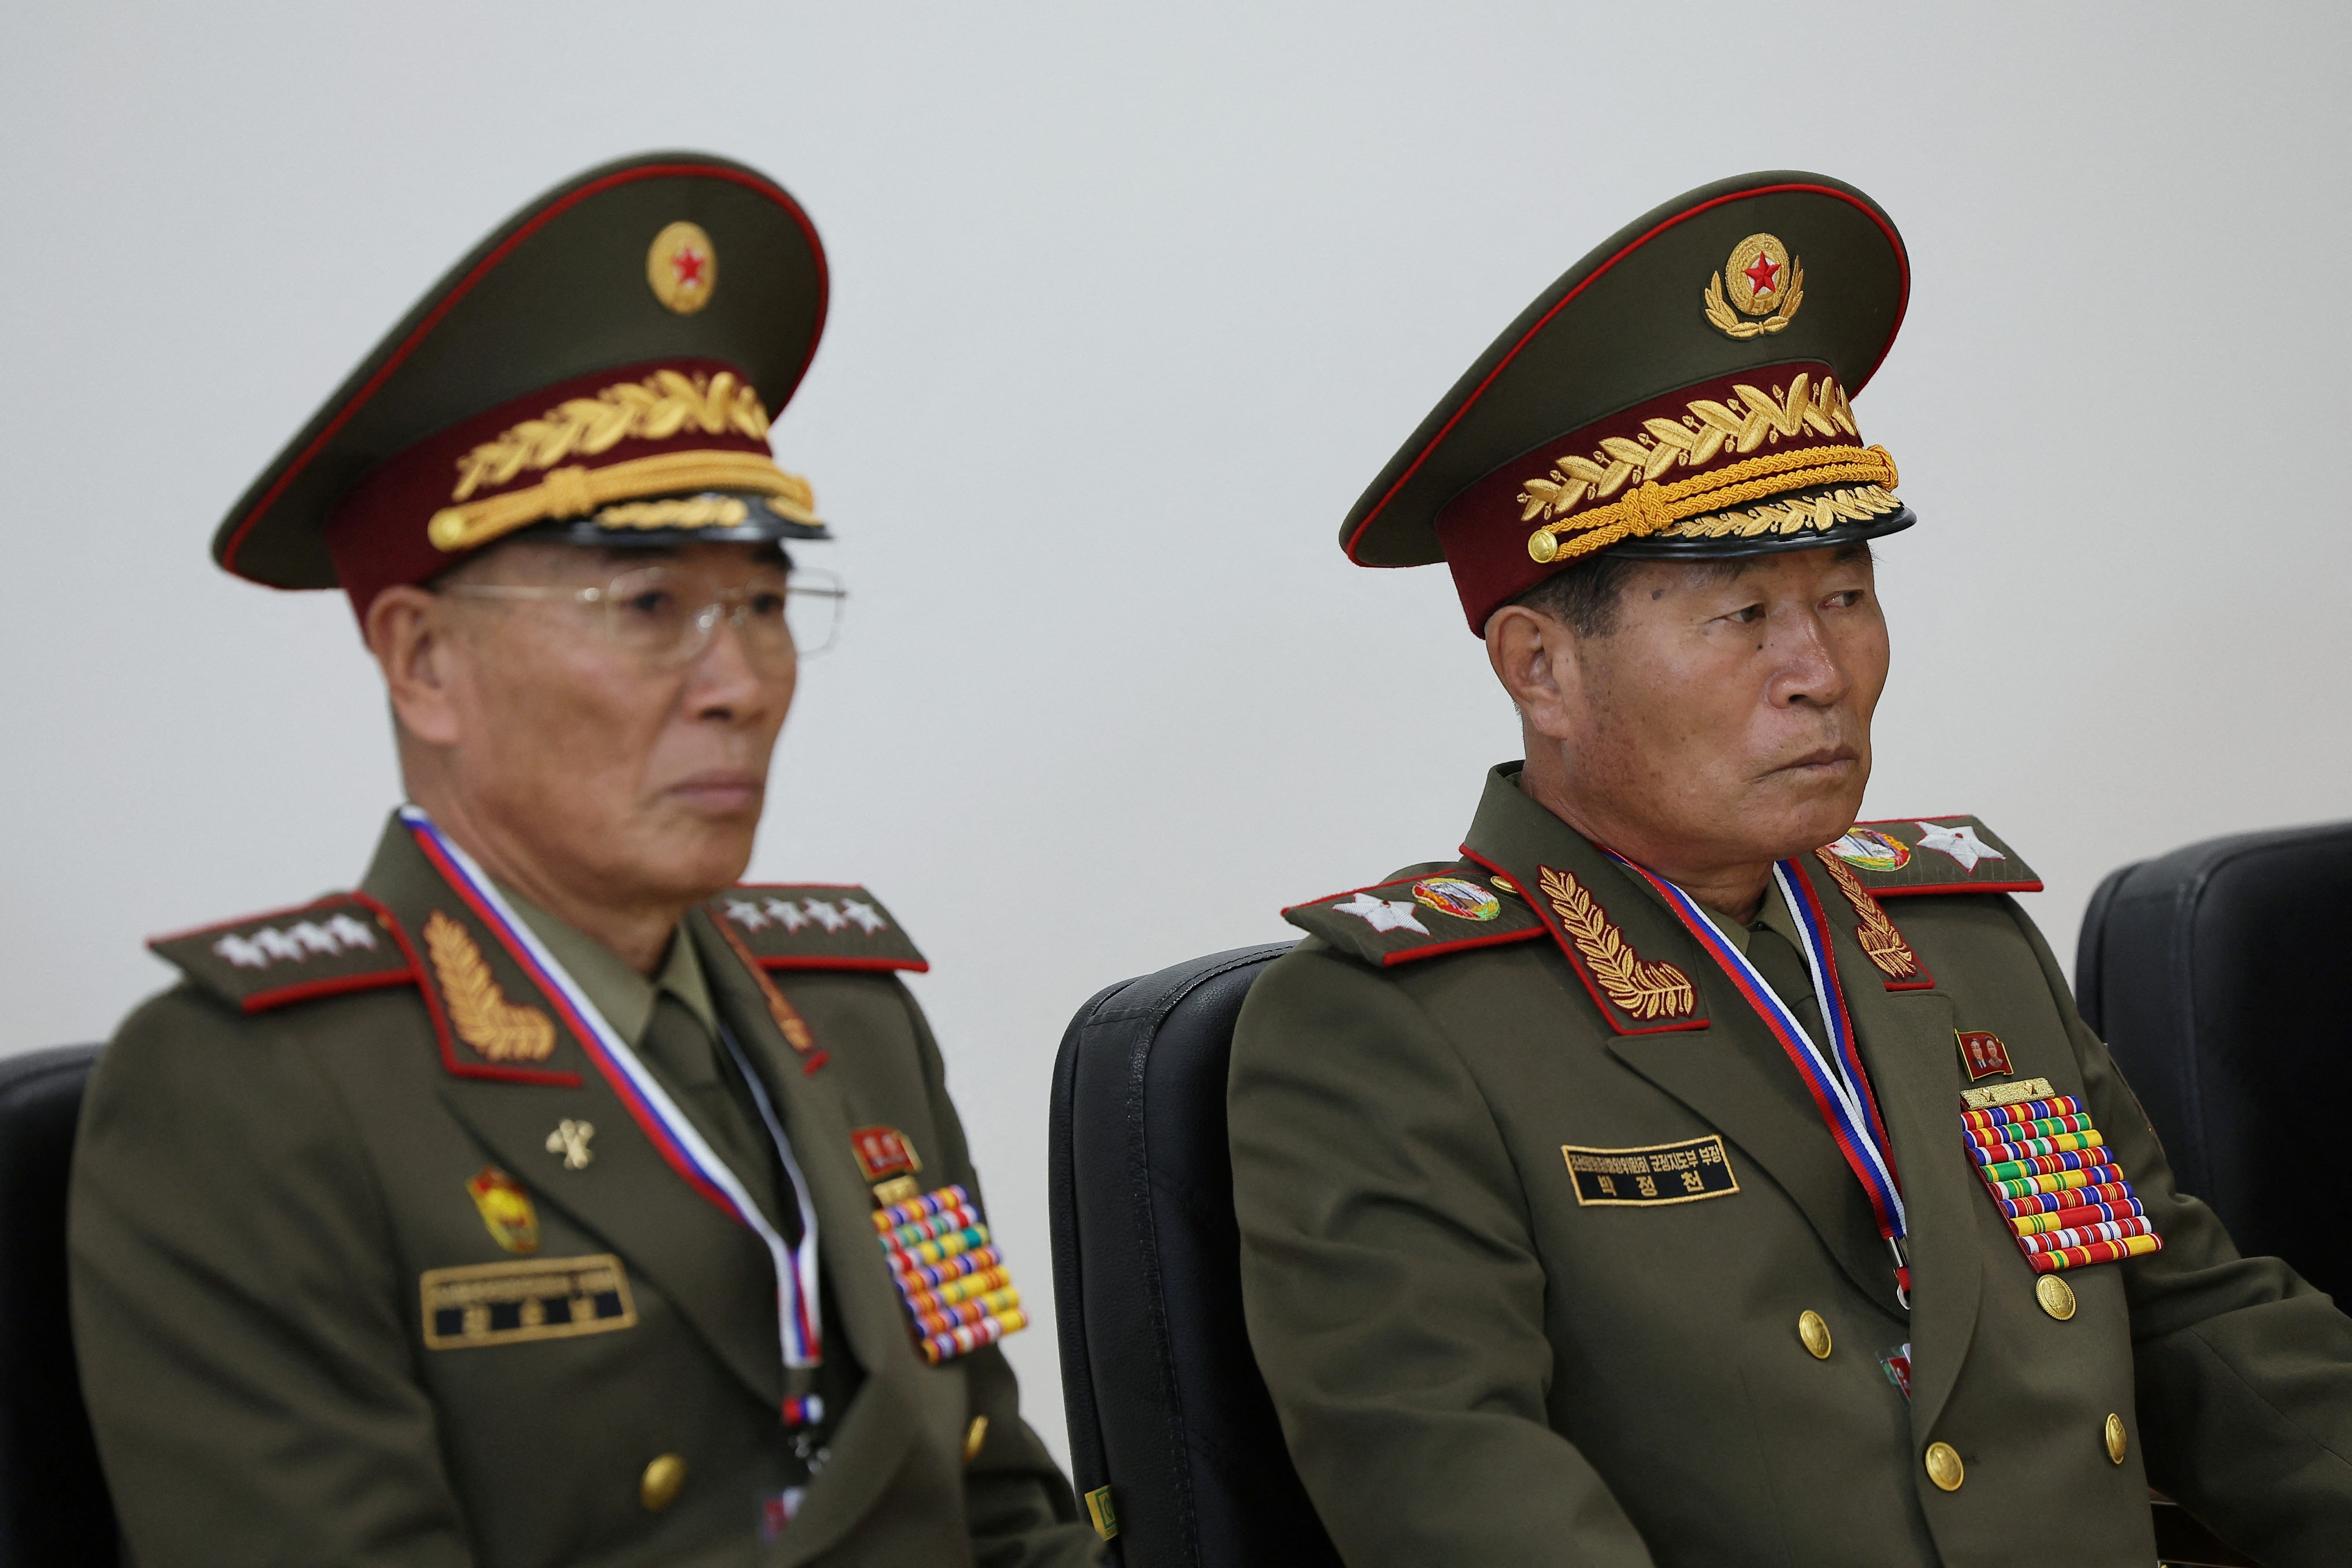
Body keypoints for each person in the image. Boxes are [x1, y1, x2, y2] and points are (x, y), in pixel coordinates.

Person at [1227, 170, 2352, 1566]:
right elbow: (1461, 1499)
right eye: (1742, 613)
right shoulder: (1388, 1033)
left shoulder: (1960, 947)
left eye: (1845, 598)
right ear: (1542, 668)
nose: (1822, 674)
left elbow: (2190, 1320)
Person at [69, 152, 1101, 1568]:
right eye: (653, 604)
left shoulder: (853, 1019)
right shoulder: (255, 1096)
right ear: (425, 663)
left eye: (763, 605)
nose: (739, 681)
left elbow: (992, 1514)